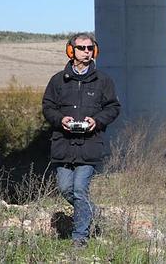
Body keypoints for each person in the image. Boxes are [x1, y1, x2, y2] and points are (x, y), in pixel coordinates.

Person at [42, 33, 120, 248]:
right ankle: (92, 212)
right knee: (66, 189)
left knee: (79, 189)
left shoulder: (103, 80)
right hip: (63, 145)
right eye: (82, 48)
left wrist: (97, 120)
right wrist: (60, 119)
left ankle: (80, 238)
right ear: (71, 50)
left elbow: (113, 107)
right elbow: (48, 107)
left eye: (89, 48)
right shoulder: (57, 80)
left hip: (90, 146)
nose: (86, 52)